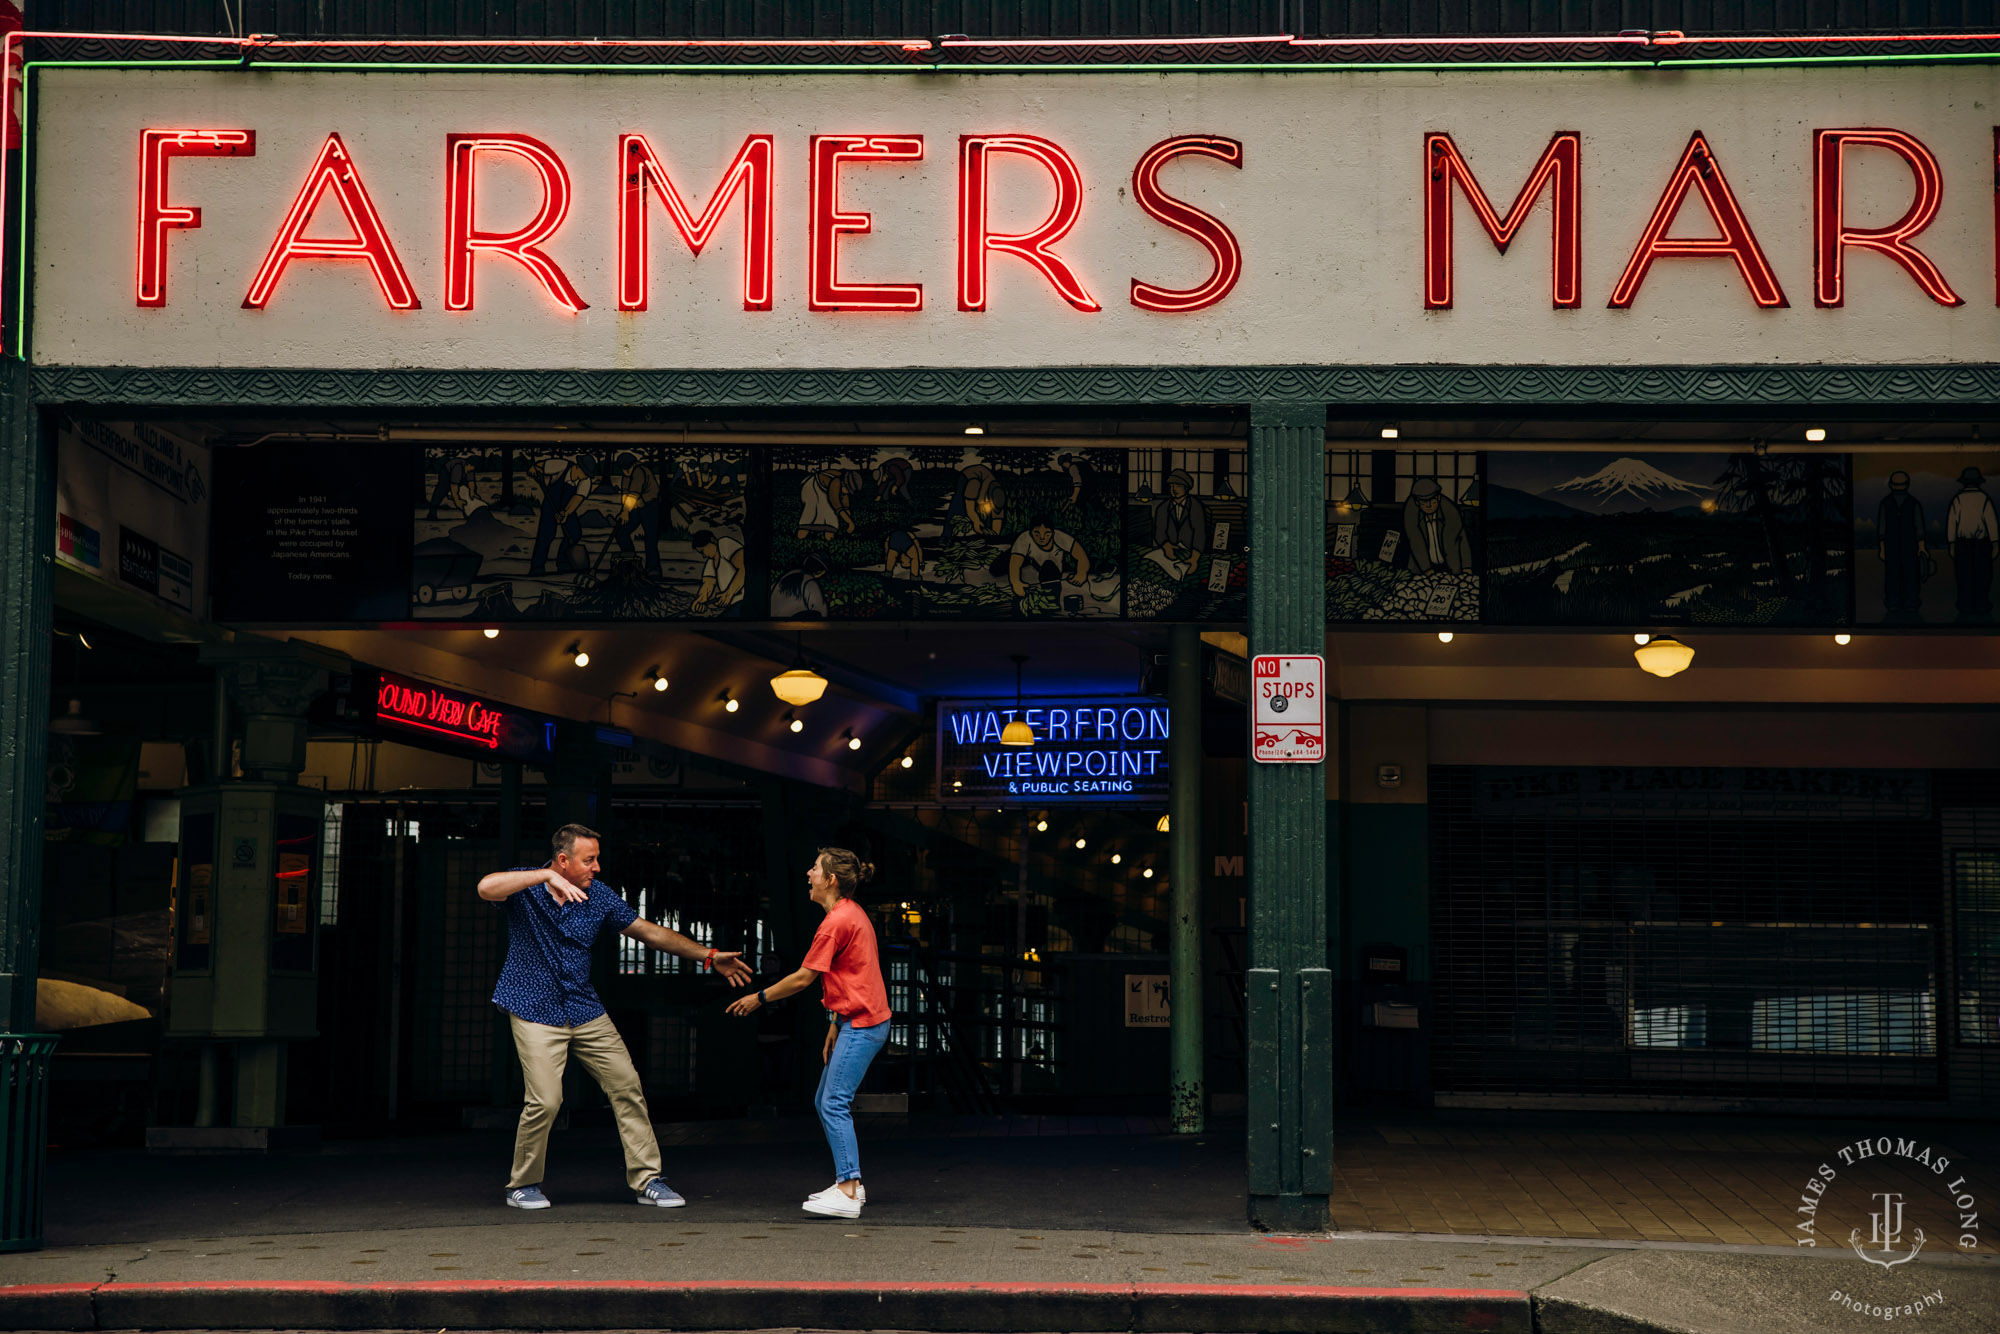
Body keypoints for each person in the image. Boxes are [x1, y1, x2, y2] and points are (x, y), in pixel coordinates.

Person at [477, 824, 753, 1211]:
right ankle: (522, 1185)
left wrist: (708, 955)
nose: (597, 867)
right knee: (546, 1101)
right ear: (562, 861)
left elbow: (649, 933)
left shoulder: (599, 897)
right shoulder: (526, 889)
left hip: (583, 1007)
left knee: (627, 1086)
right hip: (533, 1006)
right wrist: (544, 876)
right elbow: (486, 887)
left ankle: (648, 1180)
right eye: (589, 860)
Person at [725, 848, 890, 1219]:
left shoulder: (835, 922)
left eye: (815, 869)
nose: (808, 873)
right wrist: (834, 1023)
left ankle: (848, 1190)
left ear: (830, 880)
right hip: (856, 1021)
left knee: (833, 1103)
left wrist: (758, 998)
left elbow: (804, 978)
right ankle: (852, 1185)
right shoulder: (849, 914)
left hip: (863, 1024)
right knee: (825, 1101)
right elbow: (851, 975)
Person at [529, 454, 599, 576]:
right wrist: (535, 471)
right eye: (585, 472)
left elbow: (577, 499)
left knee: (574, 533)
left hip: (567, 507)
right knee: (546, 534)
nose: (585, 476)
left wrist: (565, 513)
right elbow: (538, 467)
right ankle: (537, 566)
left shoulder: (586, 481)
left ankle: (563, 562)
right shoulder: (561, 465)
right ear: (578, 467)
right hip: (550, 505)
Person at [1947, 466, 1997, 616]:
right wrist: (1995, 543)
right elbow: (1991, 523)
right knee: (1983, 575)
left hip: (1962, 544)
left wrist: (1952, 543)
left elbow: (1952, 523)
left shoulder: (1958, 499)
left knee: (1963, 575)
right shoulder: (1984, 499)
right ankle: (1981, 604)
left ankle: (1965, 604)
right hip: (1982, 544)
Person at [1875, 469, 1927, 616]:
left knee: (1893, 575)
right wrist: (1921, 547)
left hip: (1893, 545)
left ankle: (1894, 603)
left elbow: (1882, 529)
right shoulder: (1913, 503)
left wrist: (1882, 548)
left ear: (1891, 485)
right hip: (1908, 545)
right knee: (1910, 575)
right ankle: (1910, 602)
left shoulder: (1886, 503)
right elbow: (1919, 528)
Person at [1008, 515, 1091, 602]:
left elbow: (1081, 556)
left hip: (1051, 568)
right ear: (1030, 533)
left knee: (1049, 567)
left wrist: (1081, 572)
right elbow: (1015, 563)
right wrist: (1016, 583)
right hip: (1030, 560)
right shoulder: (1024, 538)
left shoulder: (1061, 537)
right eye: (1037, 533)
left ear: (1053, 533)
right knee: (997, 568)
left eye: (1047, 533)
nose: (1042, 537)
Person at [1403, 477, 1473, 574]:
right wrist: (1427, 569)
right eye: (1424, 502)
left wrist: (1466, 566)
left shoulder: (1450, 511)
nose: (1429, 505)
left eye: (1432, 501)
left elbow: (1461, 538)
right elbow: (1416, 542)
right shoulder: (1411, 512)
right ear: (1417, 502)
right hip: (1421, 566)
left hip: (1449, 564)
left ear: (1438, 498)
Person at [611, 452, 664, 576]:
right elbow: (625, 494)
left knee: (650, 538)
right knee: (621, 532)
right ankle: (629, 559)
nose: (626, 472)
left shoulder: (640, 471)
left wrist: (626, 511)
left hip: (650, 506)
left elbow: (634, 493)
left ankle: (653, 568)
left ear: (634, 464)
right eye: (623, 469)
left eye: (628, 468)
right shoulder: (626, 476)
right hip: (635, 506)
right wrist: (625, 511)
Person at [1150, 469, 1207, 574]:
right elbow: (1159, 531)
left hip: (1190, 550)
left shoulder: (1196, 506)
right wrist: (1166, 545)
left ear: (1186, 487)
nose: (1174, 489)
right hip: (1167, 550)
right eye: (1171, 486)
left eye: (1178, 486)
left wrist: (1194, 557)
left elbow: (1199, 532)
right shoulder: (1163, 507)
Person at [690, 529, 746, 614]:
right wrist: (701, 599)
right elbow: (708, 583)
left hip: (744, 601)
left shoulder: (724, 544)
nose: (703, 556)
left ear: (712, 540)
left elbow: (744, 568)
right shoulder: (711, 561)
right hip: (733, 605)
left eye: (703, 551)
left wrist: (728, 593)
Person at [797, 469, 855, 540]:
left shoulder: (842, 483)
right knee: (812, 514)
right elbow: (836, 503)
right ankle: (801, 537)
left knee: (830, 518)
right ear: (844, 484)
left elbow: (845, 504)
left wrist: (848, 518)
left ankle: (828, 539)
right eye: (849, 489)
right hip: (813, 488)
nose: (848, 492)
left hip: (823, 490)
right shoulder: (836, 482)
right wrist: (850, 522)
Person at [959, 463, 1006, 535]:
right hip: (968, 477)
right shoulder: (976, 484)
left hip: (983, 490)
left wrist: (994, 534)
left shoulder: (998, 495)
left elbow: (998, 517)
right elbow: (970, 508)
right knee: (959, 507)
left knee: (985, 515)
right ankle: (946, 536)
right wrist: (976, 521)